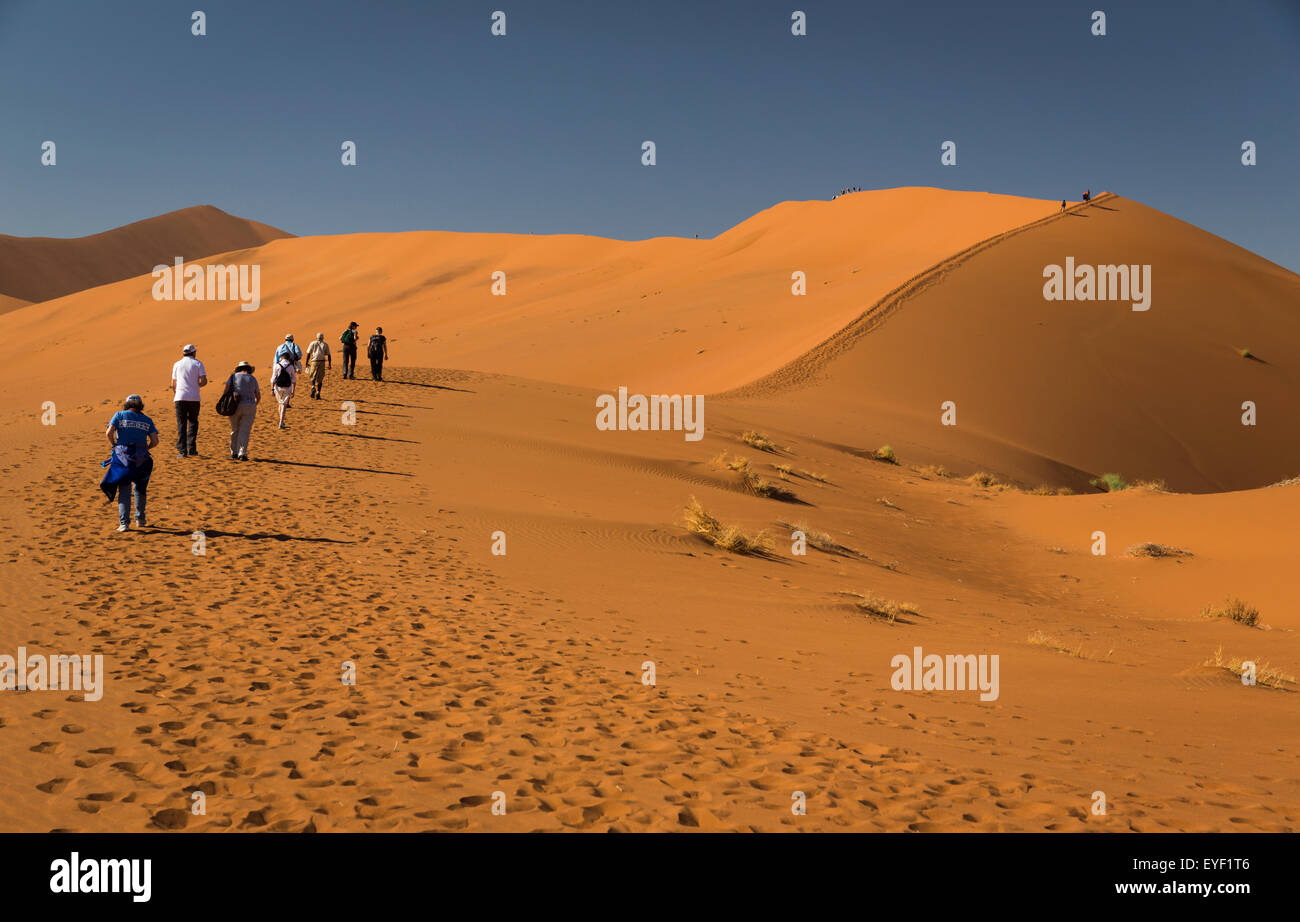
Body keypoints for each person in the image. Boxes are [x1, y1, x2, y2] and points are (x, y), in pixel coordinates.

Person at [103, 394, 159, 531]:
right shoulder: (147, 420)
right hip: (142, 459)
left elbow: (108, 433)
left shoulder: (119, 415)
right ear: (140, 405)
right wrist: (146, 448)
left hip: (123, 457)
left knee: (124, 489)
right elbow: (155, 441)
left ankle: (124, 524)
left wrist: (114, 445)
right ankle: (140, 519)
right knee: (140, 488)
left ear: (127, 404)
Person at [170, 343, 207, 458]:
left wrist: (177, 393)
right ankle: (191, 448)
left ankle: (182, 451)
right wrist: (195, 386)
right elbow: (204, 381)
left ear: (183, 353)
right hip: (194, 398)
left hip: (180, 397)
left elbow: (173, 384)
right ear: (194, 353)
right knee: (193, 422)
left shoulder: (177, 364)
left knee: (181, 423)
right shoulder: (198, 363)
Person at [226, 361, 261, 460]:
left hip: (234, 406)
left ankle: (234, 452)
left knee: (234, 430)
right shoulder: (253, 378)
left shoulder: (233, 377)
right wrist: (255, 404)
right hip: (249, 406)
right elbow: (258, 395)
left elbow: (226, 391)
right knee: (245, 431)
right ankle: (242, 453)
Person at [270, 351, 297, 429]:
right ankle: (281, 423)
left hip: (278, 388)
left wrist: (272, 389)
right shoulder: (291, 366)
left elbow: (273, 379)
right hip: (287, 388)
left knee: (280, 404)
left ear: (281, 358)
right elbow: (294, 380)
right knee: (284, 405)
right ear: (288, 358)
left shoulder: (277, 365)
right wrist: (293, 391)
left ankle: (281, 421)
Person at [306, 332, 332, 399]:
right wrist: (329, 364)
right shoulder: (325, 344)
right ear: (323, 338)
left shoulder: (312, 343)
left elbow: (308, 353)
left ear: (316, 337)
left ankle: (313, 387)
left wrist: (306, 362)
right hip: (322, 362)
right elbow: (329, 355)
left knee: (312, 376)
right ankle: (318, 393)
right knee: (320, 378)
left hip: (314, 361)